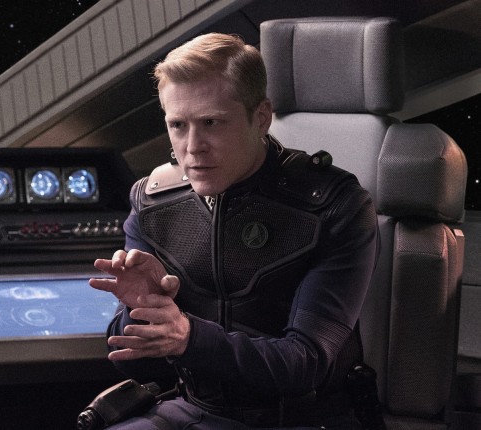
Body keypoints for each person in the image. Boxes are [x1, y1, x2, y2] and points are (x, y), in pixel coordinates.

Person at [89, 32, 378, 429]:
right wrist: (141, 312)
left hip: (301, 420)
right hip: (192, 410)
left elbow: (306, 363)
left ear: (261, 118)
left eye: (211, 122)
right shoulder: (153, 203)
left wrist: (189, 338)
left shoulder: (334, 205)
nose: (193, 147)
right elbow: (135, 363)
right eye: (178, 125)